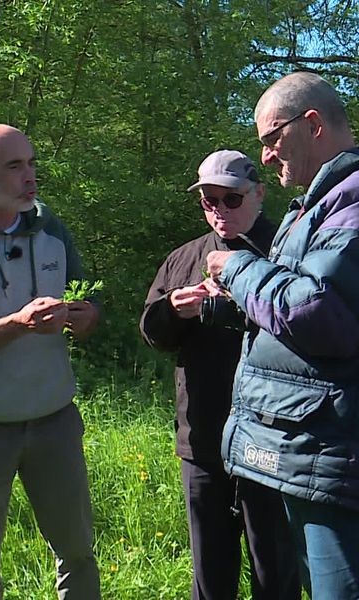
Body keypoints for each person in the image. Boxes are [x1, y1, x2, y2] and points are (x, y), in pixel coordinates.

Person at [206, 71, 359, 600]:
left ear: (312, 125)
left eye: (271, 139)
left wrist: (239, 269)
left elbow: (317, 310)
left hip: (336, 454)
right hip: (315, 448)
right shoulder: (316, 206)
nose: (266, 156)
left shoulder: (351, 201)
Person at [140, 150, 301, 600]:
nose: (219, 211)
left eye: (231, 200)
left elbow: (306, 325)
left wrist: (222, 309)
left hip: (271, 440)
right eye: (209, 201)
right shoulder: (185, 257)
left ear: (259, 193)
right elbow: (152, 333)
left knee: (275, 571)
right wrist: (175, 309)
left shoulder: (284, 250)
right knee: (210, 575)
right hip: (204, 438)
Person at [0, 123, 101, 599]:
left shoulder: (52, 230)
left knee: (78, 552)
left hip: (54, 419)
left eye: (33, 163)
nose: (30, 176)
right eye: (15, 166)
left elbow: (89, 310)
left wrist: (80, 317)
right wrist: (17, 324)